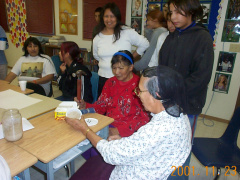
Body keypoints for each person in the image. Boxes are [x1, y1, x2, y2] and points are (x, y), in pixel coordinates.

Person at [66, 66, 191, 180]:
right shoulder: (180, 114)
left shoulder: (156, 130)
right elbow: (148, 145)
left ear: (156, 94)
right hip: (153, 164)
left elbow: (110, 154)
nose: (138, 95)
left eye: (140, 91)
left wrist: (85, 130)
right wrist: (126, 142)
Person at [158, 0, 214, 179]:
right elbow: (162, 68)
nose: (173, 17)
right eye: (171, 12)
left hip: (188, 105)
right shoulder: (171, 36)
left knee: (183, 146)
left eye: (178, 12)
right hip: (167, 102)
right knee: (167, 143)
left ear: (191, 12)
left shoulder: (202, 38)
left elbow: (201, 77)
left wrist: (174, 92)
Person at [76, 50, 149, 138]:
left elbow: (144, 119)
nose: (116, 72)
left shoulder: (140, 86)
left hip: (129, 131)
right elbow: (101, 106)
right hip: (108, 124)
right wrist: (85, 106)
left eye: (121, 68)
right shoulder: (110, 82)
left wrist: (119, 131)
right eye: (114, 68)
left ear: (131, 67)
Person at [93, 2, 149, 97]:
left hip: (123, 79)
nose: (109, 19)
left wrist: (129, 59)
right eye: (106, 16)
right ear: (103, 18)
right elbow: (96, 56)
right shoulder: (98, 37)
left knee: (123, 109)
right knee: (104, 109)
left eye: (112, 16)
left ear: (117, 17)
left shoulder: (126, 32)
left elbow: (145, 44)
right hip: (103, 79)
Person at [91, 7, 103, 73]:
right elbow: (93, 44)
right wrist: (94, 57)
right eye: (95, 16)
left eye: (99, 16)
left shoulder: (107, 28)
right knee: (96, 75)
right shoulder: (95, 29)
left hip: (103, 58)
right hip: (96, 58)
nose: (97, 18)